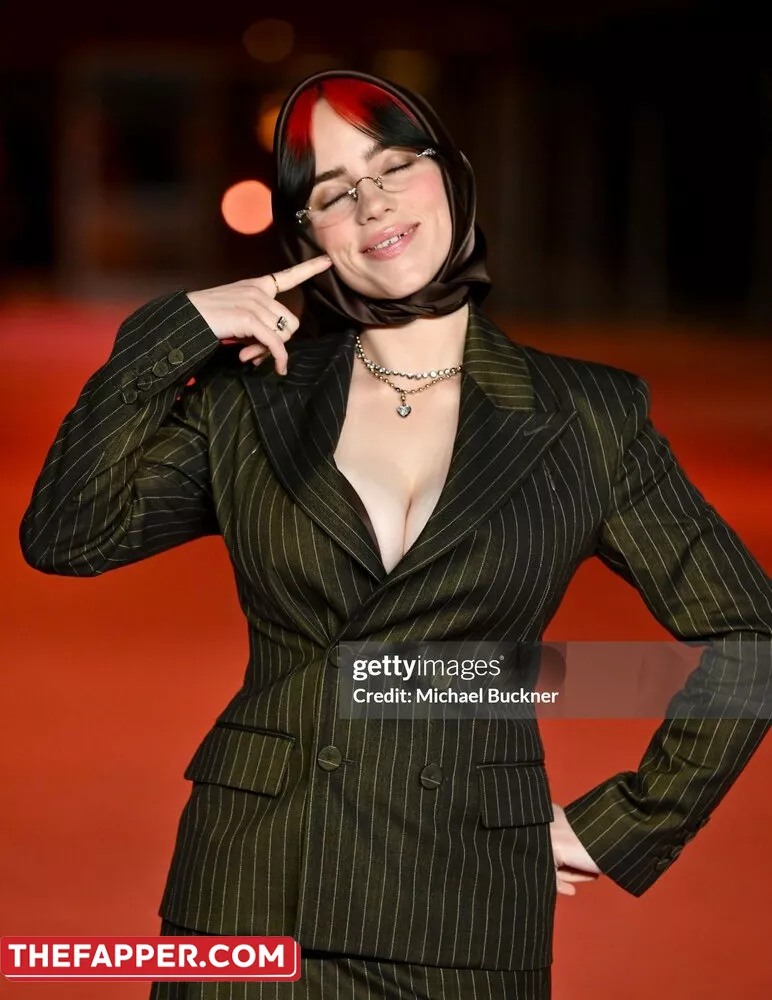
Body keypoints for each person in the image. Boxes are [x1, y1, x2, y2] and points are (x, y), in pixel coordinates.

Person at [19, 68, 772, 1000]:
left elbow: (750, 637)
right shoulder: (251, 403)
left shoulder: (587, 416)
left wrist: (628, 823)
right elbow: (69, 535)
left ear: (451, 175)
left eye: (394, 165)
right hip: (249, 894)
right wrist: (170, 334)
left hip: (465, 910)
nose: (372, 202)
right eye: (334, 192)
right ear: (307, 235)